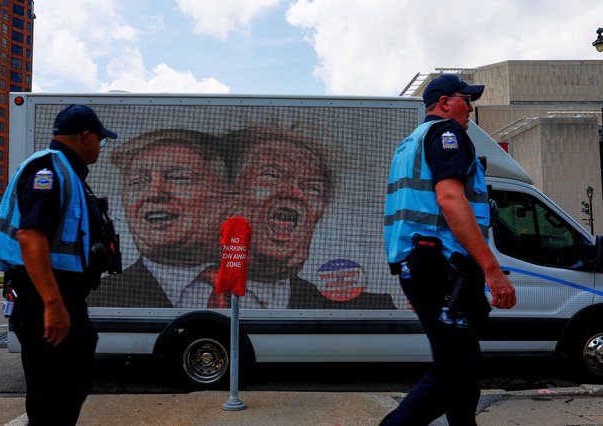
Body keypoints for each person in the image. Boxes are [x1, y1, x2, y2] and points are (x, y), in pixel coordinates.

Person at [381, 74, 517, 425]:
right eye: (465, 99)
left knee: (464, 367)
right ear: (444, 103)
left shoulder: (409, 143)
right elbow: (450, 198)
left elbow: (410, 215)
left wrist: (416, 278)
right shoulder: (446, 134)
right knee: (455, 369)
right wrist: (491, 268)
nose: (470, 107)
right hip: (443, 266)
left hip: (426, 265)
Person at [0, 105, 118, 425]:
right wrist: (52, 303)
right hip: (44, 297)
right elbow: (31, 236)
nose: (100, 147)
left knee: (75, 378)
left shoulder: (69, 174)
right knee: (52, 393)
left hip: (63, 298)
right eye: (100, 140)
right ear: (86, 136)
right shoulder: (47, 172)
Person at [226, 125, 395, 309]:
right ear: (226, 193)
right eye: (271, 175)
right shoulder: (196, 294)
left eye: (313, 188)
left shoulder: (369, 307)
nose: (296, 193)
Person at [88, 129, 228, 308]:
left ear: (224, 195)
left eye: (178, 178)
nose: (153, 193)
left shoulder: (263, 288)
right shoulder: (101, 300)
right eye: (138, 182)